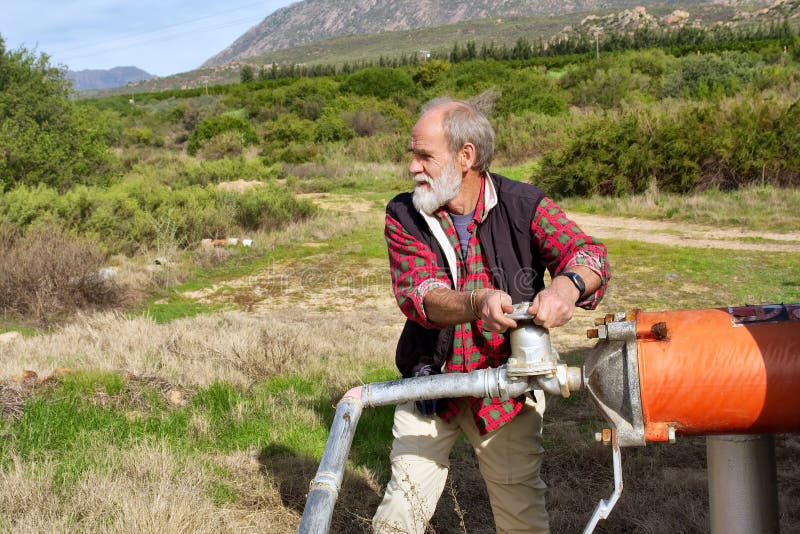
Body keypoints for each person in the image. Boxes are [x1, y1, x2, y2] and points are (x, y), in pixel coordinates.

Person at [373, 97, 610, 533]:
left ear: (466, 156)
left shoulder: (525, 204)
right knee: (399, 514)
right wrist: (476, 302)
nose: (412, 167)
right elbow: (420, 297)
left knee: (521, 517)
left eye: (424, 155)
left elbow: (589, 254)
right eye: (413, 154)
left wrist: (567, 286)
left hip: (509, 390)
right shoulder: (405, 214)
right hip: (431, 384)